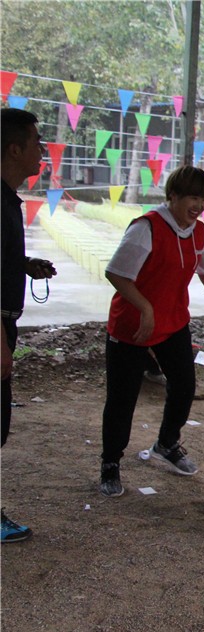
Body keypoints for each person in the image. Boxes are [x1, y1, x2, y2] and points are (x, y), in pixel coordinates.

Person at [99, 165, 204, 497]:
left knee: (184, 385)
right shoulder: (147, 228)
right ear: (172, 195)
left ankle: (167, 443)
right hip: (132, 326)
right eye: (192, 197)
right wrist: (145, 307)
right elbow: (116, 273)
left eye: (203, 199)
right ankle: (110, 463)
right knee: (122, 399)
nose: (198, 205)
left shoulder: (198, 231)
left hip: (173, 322)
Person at [1, 108, 56, 543]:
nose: (43, 149)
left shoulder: (7, 199)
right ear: (15, 148)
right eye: (38, 141)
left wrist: (22, 266)